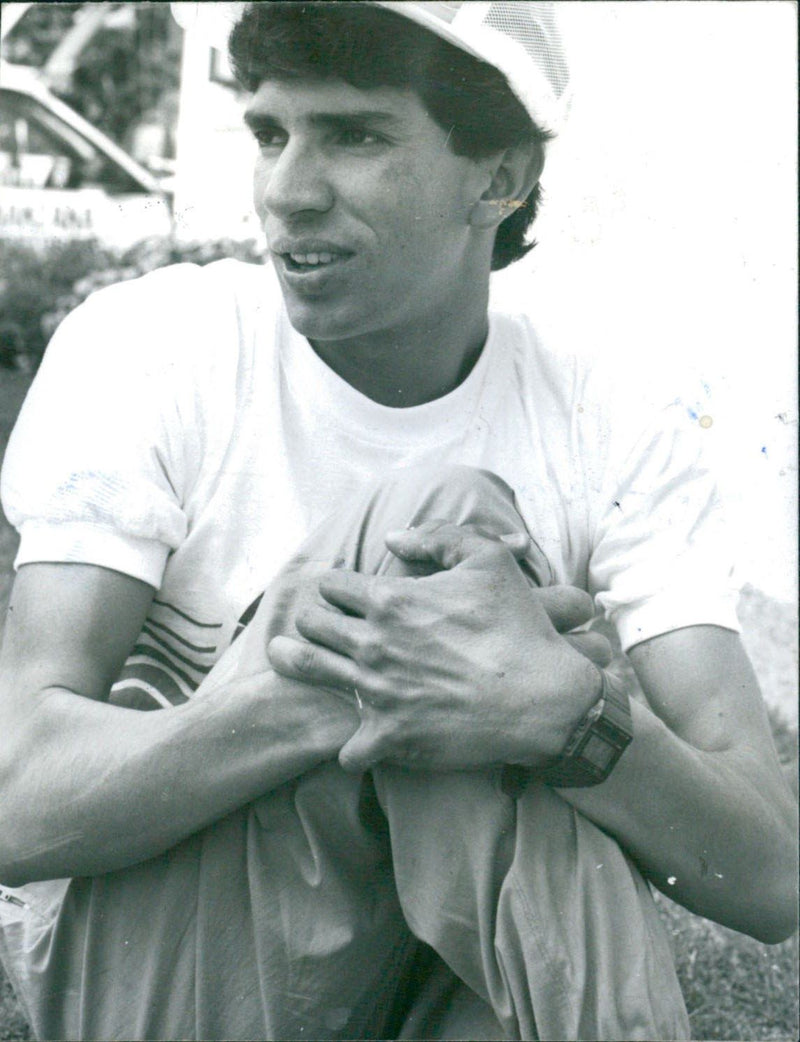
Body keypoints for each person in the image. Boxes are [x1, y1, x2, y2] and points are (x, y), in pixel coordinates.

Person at [0, 3, 795, 1040]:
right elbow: (15, 795)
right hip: (159, 971)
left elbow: (770, 871)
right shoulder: (153, 349)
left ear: (497, 177)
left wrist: (573, 722)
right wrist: (328, 694)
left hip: (438, 972)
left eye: (355, 135)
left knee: (497, 625)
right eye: (270, 133)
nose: (287, 191)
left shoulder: (607, 410)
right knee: (448, 531)